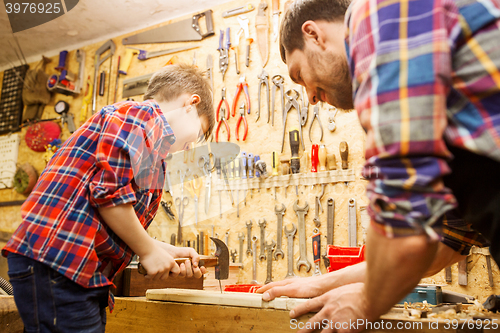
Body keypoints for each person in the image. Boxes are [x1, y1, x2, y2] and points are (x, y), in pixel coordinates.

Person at [258, 0, 500, 331]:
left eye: (300, 76)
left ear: (313, 34)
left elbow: (407, 231)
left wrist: (365, 300)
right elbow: (444, 243)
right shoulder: (452, 106)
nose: (310, 97)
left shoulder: (379, 11)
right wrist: (316, 285)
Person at [3, 63, 215, 332]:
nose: (189, 147)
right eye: (196, 135)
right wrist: (148, 252)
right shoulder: (141, 117)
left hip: (74, 267)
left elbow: (116, 219)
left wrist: (169, 252)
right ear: (190, 104)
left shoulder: (152, 149)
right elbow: (109, 196)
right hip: (59, 259)